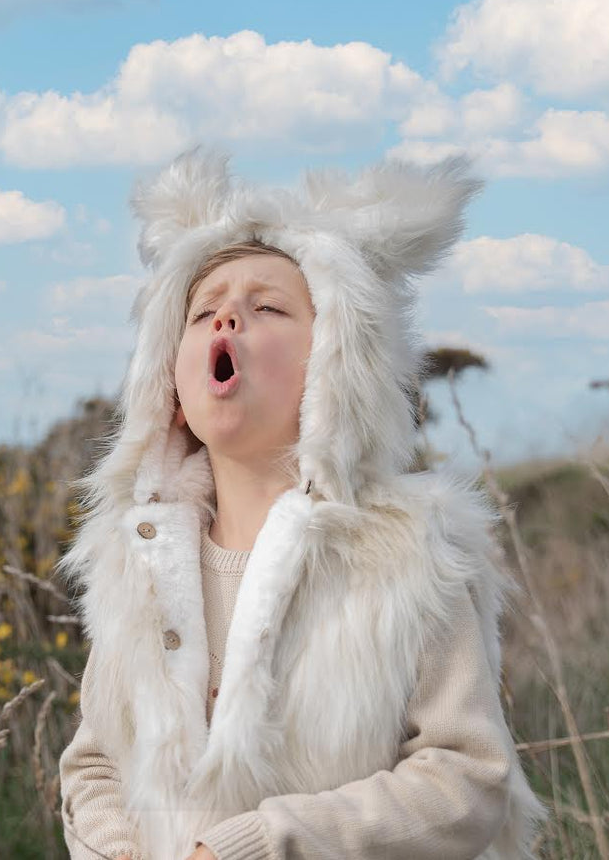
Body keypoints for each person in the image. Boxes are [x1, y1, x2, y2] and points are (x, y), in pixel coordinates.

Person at [53, 147, 545, 860]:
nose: (226, 320)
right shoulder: (135, 558)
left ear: (338, 366)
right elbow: (94, 761)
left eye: (266, 306)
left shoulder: (412, 551)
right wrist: (114, 849)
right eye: (202, 311)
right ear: (169, 384)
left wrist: (261, 844)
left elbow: (465, 777)